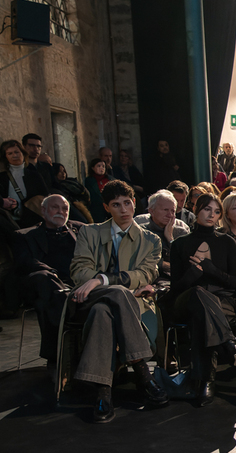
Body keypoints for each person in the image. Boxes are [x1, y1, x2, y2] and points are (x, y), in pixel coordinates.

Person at [67, 180, 169, 421]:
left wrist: (101, 279)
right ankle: (142, 371)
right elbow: (79, 271)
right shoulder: (89, 233)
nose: (124, 210)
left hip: (133, 304)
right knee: (117, 294)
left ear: (134, 203)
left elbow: (146, 274)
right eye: (116, 205)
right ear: (106, 207)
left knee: (104, 312)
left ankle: (103, 391)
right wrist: (106, 285)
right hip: (92, 298)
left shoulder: (151, 240)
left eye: (127, 203)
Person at [168, 194, 236, 407]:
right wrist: (193, 275)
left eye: (217, 211)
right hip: (186, 300)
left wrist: (211, 270)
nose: (212, 215)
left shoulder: (227, 242)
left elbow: (235, 282)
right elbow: (175, 288)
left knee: (202, 316)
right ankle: (227, 344)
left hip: (221, 301)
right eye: (207, 209)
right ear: (196, 209)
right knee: (198, 294)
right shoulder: (180, 244)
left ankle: (204, 381)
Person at [14, 195, 85, 372]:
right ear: (43, 211)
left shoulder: (81, 230)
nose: (61, 212)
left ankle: (70, 356)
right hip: (46, 286)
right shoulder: (25, 236)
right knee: (47, 286)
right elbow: (24, 263)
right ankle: (57, 357)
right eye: (55, 207)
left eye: (65, 208)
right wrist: (54, 276)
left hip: (78, 283)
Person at [134, 190, 189, 287]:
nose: (170, 215)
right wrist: (166, 265)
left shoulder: (181, 232)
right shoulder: (141, 231)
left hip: (176, 281)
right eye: (165, 210)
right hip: (148, 281)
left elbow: (185, 262)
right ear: (151, 211)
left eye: (173, 211)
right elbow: (141, 261)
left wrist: (170, 239)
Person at [0, 139, 48, 229]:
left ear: (23, 153)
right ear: (5, 157)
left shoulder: (34, 175)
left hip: (34, 221)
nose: (14, 155)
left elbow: (45, 196)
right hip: (12, 222)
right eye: (10, 153)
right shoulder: (1, 177)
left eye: (17, 152)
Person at [84, 157, 113, 222]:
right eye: (98, 166)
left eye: (103, 166)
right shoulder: (89, 180)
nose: (101, 168)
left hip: (110, 207)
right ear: (92, 168)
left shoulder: (110, 179)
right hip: (97, 209)